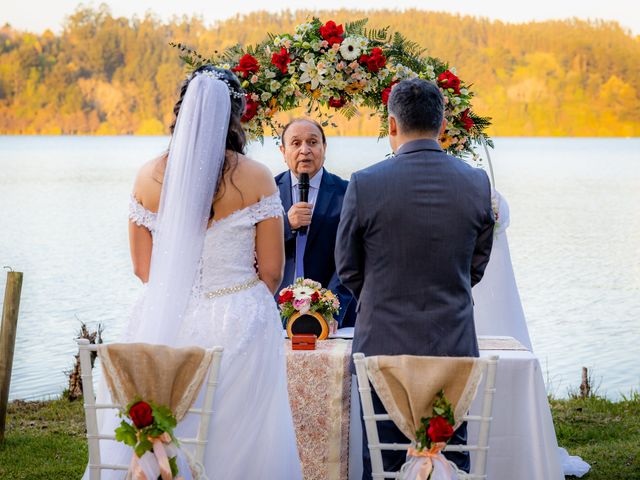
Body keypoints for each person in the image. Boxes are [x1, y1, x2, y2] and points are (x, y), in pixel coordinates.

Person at [86, 65, 302, 479]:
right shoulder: (256, 177)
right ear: (235, 117)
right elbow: (272, 272)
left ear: (182, 112)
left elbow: (143, 269)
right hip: (239, 319)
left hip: (165, 315)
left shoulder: (148, 176)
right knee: (244, 438)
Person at [335, 78, 495, 478]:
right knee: (450, 457)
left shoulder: (365, 183)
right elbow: (476, 263)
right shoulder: (476, 182)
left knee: (385, 460)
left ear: (392, 125)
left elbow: (347, 267)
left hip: (383, 345)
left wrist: (380, 297)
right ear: (442, 126)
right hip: (453, 344)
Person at [274, 118, 356, 327]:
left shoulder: (347, 192)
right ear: (283, 151)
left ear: (324, 147)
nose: (305, 150)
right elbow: (253, 247)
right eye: (295, 143)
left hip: (332, 314)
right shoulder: (268, 191)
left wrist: (330, 308)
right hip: (275, 312)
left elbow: (351, 260)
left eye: (312, 142)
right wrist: (286, 225)